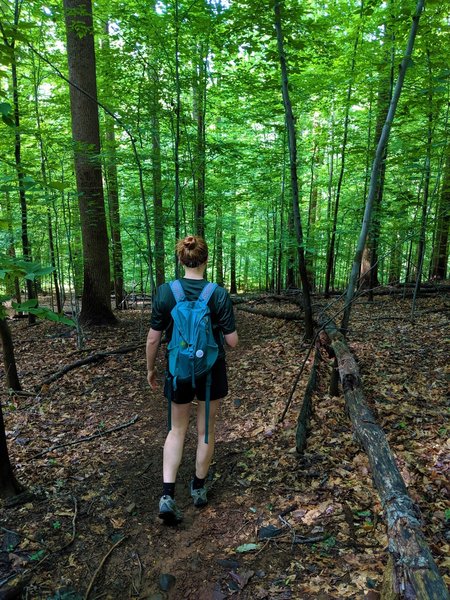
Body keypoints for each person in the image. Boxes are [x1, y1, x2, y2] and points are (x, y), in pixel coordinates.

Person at [146, 235, 238, 525]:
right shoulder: (217, 294)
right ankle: (198, 488)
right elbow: (232, 342)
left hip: (178, 371)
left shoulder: (165, 292)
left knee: (176, 430)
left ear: (180, 259)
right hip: (212, 372)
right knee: (205, 431)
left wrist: (150, 370)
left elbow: (153, 338)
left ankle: (167, 495)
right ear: (206, 259)